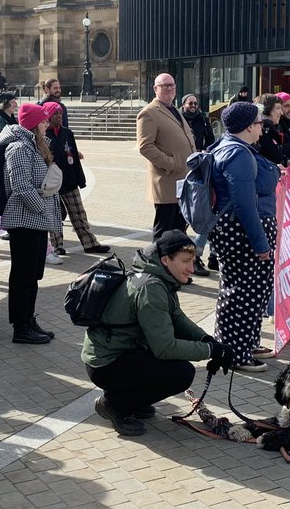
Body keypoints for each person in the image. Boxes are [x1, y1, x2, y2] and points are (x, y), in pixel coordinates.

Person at [83, 231, 234, 436]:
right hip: (106, 364)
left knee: (171, 368)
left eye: (193, 261)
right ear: (165, 259)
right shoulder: (151, 288)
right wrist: (210, 351)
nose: (191, 268)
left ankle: (131, 399)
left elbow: (177, 318)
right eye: (185, 261)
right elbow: (164, 348)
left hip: (119, 354)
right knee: (181, 373)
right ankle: (114, 404)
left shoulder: (156, 277)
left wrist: (207, 340)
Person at [209, 102, 280, 372]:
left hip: (242, 230)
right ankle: (235, 353)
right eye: (260, 122)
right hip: (244, 232)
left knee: (250, 291)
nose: (263, 126)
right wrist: (261, 244)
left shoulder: (232, 147)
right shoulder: (237, 154)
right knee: (243, 293)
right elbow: (244, 204)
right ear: (248, 126)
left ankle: (244, 342)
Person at [0, 103, 62, 344]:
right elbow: (21, 186)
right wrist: (40, 209)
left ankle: (29, 319)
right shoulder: (18, 148)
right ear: (34, 123)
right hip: (24, 221)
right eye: (44, 120)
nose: (48, 123)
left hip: (36, 221)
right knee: (22, 276)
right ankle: (20, 326)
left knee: (33, 275)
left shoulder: (34, 146)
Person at [136, 73, 196, 240]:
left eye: (172, 85)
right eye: (164, 85)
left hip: (183, 181)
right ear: (155, 89)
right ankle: (158, 263)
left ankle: (176, 263)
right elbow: (145, 146)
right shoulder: (148, 113)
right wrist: (172, 163)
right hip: (167, 181)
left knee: (179, 228)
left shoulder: (175, 109)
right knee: (164, 231)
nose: (169, 88)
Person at [44, 101, 109, 256]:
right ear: (48, 116)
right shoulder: (43, 134)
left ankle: (90, 243)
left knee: (79, 213)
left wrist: (80, 179)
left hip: (69, 180)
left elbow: (73, 156)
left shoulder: (67, 133)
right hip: (51, 182)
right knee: (54, 215)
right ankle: (57, 245)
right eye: (55, 114)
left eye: (60, 113)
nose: (59, 116)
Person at [180, 93, 216, 274]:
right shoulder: (180, 119)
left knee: (211, 214)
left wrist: (205, 150)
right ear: (184, 104)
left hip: (201, 164)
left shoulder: (202, 118)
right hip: (184, 166)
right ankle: (194, 256)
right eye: (190, 103)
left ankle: (213, 256)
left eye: (195, 103)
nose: (193, 106)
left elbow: (210, 138)